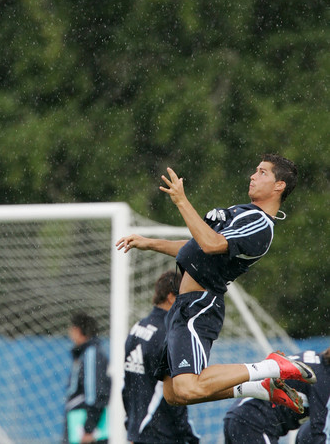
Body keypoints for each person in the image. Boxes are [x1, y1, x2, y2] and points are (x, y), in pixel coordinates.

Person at [116, 154, 317, 413]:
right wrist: (149, 243)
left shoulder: (260, 224)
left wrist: (181, 200)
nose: (253, 176)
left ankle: (272, 367)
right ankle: (260, 387)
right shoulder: (245, 211)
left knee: (189, 387)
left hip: (200, 305)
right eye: (255, 170)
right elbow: (196, 247)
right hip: (182, 306)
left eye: (263, 172)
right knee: (174, 394)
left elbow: (210, 245)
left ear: (279, 186)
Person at [123, 270, 200, 444]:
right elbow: (176, 394)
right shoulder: (170, 334)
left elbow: (125, 383)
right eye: (186, 295)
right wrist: (189, 436)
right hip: (163, 435)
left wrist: (132, 424)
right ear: (172, 297)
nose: (190, 303)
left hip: (139, 431)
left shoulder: (138, 327)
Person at [223, 348, 330, 443]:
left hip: (240, 417)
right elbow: (319, 434)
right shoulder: (323, 379)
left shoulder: (316, 363)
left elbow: (308, 434)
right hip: (255, 424)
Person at [62, 312, 111, 444]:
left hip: (84, 428)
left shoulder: (91, 353)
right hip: (79, 423)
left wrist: (88, 428)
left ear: (77, 330)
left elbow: (96, 394)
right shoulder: (86, 353)